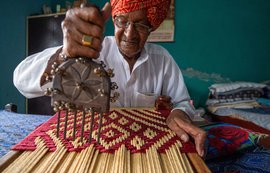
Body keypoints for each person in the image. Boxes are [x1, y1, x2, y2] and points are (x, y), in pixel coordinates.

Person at [13, 0, 206, 157]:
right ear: (114, 21)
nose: (130, 34)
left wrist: (179, 112)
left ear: (150, 28)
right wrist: (64, 54)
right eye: (122, 21)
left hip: (145, 153)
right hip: (89, 149)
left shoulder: (162, 60)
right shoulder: (88, 50)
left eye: (140, 24)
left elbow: (183, 101)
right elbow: (21, 80)